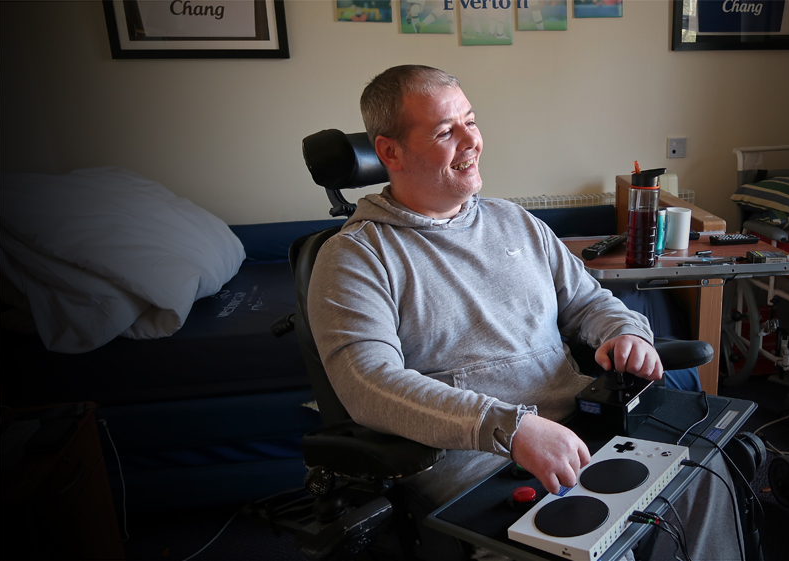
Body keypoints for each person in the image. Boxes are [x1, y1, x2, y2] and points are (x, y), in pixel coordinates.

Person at [308, 65, 740, 560]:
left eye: (471, 120)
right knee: (596, 542)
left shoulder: (513, 221)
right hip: (478, 460)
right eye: (447, 131)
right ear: (390, 152)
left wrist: (625, 332)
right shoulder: (356, 256)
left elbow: (587, 300)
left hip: (582, 423)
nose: (472, 141)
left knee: (706, 474)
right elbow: (369, 385)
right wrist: (508, 427)